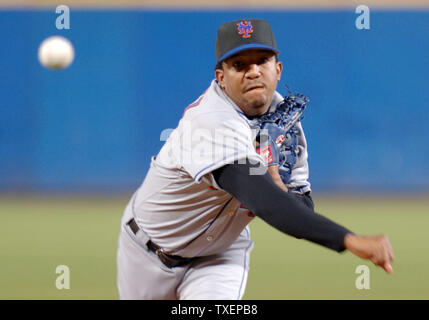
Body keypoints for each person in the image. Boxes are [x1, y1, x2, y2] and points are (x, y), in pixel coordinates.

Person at [116, 19, 394, 300]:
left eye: (262, 61)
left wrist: (279, 186)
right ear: (221, 78)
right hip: (146, 253)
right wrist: (347, 239)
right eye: (239, 65)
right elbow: (265, 200)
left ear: (278, 69)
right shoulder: (211, 123)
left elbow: (299, 203)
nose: (253, 72)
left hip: (219, 256)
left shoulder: (283, 124)